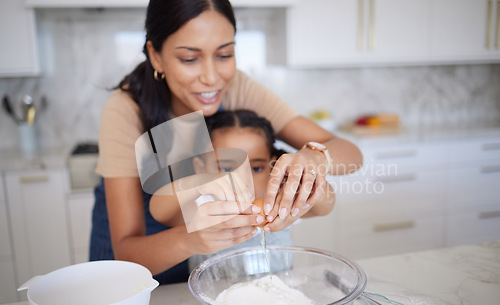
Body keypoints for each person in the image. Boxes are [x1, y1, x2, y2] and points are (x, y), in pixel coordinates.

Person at [90, 0, 362, 284]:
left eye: (225, 54)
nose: (211, 78)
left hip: (206, 264)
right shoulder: (126, 110)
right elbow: (128, 251)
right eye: (189, 59)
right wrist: (189, 239)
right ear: (156, 56)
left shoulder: (237, 87)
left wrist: (314, 159)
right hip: (143, 252)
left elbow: (351, 154)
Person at [149, 109, 336, 269]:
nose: (243, 179)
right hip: (214, 302)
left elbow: (326, 205)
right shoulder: (204, 206)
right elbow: (159, 210)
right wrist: (198, 183)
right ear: (201, 168)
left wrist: (305, 178)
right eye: (227, 168)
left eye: (256, 168)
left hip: (278, 300)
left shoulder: (281, 201)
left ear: (273, 167)